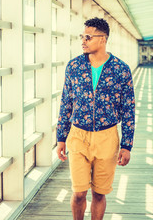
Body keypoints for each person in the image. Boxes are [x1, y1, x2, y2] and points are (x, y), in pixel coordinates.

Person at [56, 17, 135, 220]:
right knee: (79, 192)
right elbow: (66, 103)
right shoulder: (74, 67)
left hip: (107, 137)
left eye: (88, 37)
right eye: (82, 36)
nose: (83, 40)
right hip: (78, 135)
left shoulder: (121, 69)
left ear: (103, 39)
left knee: (99, 192)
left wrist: (127, 145)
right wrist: (61, 138)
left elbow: (128, 109)